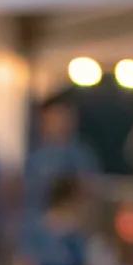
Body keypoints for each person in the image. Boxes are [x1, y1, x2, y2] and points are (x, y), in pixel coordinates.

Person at [22, 97, 98, 247]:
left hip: (72, 243)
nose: (59, 123)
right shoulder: (35, 159)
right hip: (40, 244)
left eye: (63, 117)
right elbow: (29, 203)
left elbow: (89, 197)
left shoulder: (81, 157)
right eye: (54, 117)